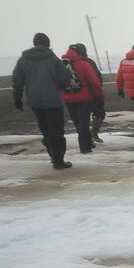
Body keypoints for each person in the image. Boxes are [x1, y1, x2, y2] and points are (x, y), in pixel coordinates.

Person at [11, 32, 75, 169]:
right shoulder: (52, 59)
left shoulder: (24, 59)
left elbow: (17, 80)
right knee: (56, 131)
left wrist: (17, 98)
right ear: (48, 43)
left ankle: (52, 154)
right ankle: (58, 160)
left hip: (35, 101)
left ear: (34, 43)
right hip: (53, 100)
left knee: (45, 129)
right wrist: (63, 86)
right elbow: (64, 79)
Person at [62, 44, 104, 154]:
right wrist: (99, 96)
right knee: (83, 123)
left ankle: (87, 143)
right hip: (83, 98)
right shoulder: (84, 64)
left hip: (68, 98)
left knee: (77, 122)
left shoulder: (61, 64)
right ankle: (85, 146)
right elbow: (94, 82)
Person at [70, 44, 107, 144]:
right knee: (99, 113)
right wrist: (99, 95)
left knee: (79, 120)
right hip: (89, 95)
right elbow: (96, 79)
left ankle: (85, 141)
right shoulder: (87, 62)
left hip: (70, 97)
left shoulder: (65, 63)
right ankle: (92, 134)